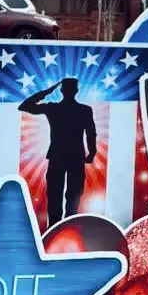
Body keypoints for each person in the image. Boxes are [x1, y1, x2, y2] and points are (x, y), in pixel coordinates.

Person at [19, 78, 96, 226]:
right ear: (76, 90)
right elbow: (91, 133)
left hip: (58, 156)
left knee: (56, 195)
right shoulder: (84, 110)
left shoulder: (53, 108)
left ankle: (56, 227)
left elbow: (25, 106)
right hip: (74, 156)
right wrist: (91, 152)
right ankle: (66, 227)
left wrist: (46, 92)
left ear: (62, 90)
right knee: (72, 195)